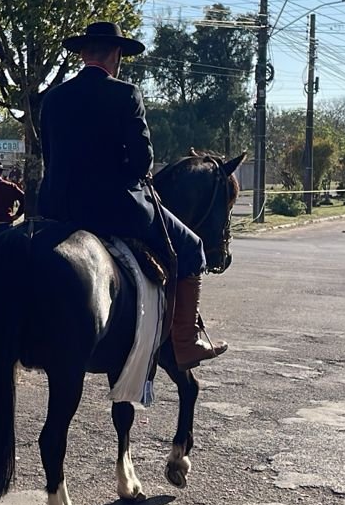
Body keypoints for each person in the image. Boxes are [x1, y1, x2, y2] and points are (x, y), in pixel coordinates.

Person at [39, 21, 224, 368]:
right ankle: (186, 340)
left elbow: (50, 155)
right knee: (191, 245)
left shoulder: (54, 97)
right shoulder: (126, 94)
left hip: (58, 208)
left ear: (82, 54)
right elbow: (142, 162)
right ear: (116, 54)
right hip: (115, 209)